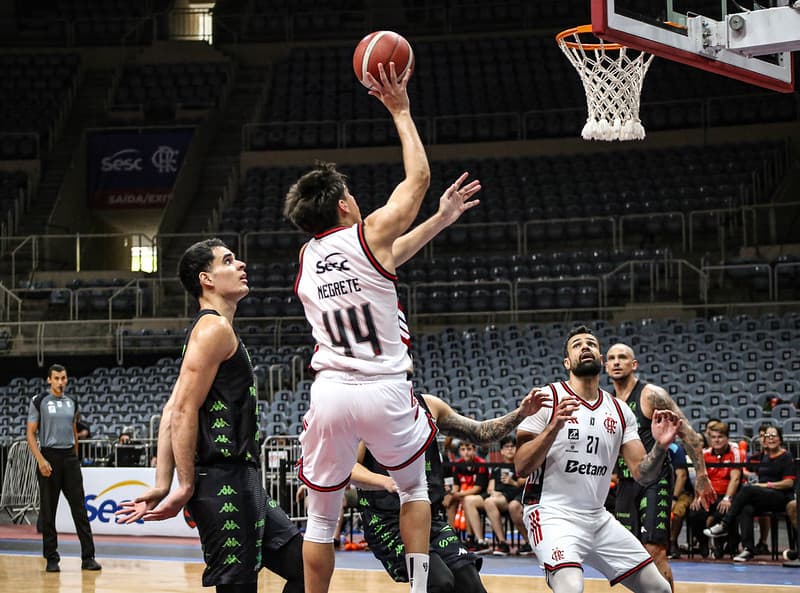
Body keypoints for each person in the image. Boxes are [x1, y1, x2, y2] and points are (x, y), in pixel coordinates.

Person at [283, 55, 480, 593]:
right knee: (414, 491)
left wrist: (441, 219)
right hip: (384, 388)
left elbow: (388, 259)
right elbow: (418, 179)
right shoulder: (367, 233)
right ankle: (418, 588)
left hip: (330, 392)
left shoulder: (306, 258)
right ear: (345, 204)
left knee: (320, 518)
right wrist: (400, 110)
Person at [115, 239, 304, 593]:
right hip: (222, 480)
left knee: (305, 566)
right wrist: (184, 485)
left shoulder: (215, 330)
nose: (241, 265)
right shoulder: (212, 329)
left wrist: (162, 483)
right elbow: (182, 411)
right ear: (207, 279)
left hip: (242, 479)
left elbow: (170, 409)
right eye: (228, 261)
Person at [515, 325, 679, 593]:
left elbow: (643, 474)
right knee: (571, 588)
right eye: (577, 345)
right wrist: (552, 429)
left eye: (591, 343)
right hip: (551, 513)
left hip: (597, 518)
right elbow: (521, 466)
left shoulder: (620, 410)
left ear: (600, 358)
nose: (585, 347)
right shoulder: (547, 398)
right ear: (567, 362)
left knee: (659, 588)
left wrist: (660, 446)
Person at [351, 388, 546, 593]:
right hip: (386, 520)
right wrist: (386, 482)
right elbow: (348, 467)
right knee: (439, 582)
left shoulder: (429, 405)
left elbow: (480, 433)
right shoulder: (366, 413)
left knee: (471, 584)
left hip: (430, 518)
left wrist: (521, 413)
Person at [605, 342, 715, 590]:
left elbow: (690, 436)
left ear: (634, 364)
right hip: (625, 483)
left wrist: (701, 476)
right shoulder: (607, 402)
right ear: (606, 366)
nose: (616, 362)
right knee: (630, 556)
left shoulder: (652, 395)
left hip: (655, 481)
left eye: (622, 357)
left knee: (654, 551)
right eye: (611, 358)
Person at [25, 364, 101, 573]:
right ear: (49, 380)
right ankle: (51, 559)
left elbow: (74, 432)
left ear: (67, 380)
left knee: (80, 510)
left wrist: (74, 458)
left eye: (63, 378)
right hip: (48, 457)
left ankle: (88, 557)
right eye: (56, 378)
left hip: (69, 459)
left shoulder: (72, 402)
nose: (60, 382)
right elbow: (30, 433)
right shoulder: (39, 401)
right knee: (48, 512)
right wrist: (41, 460)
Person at [704, 425, 796, 561]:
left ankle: (724, 524)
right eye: (767, 436)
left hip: (781, 496)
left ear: (780, 439)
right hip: (764, 496)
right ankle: (748, 549)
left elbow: (789, 483)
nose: (770, 439)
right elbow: (750, 472)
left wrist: (765, 485)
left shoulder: (786, 456)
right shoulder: (764, 457)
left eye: (774, 436)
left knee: (748, 489)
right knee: (746, 508)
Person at [686, 420, 742, 559]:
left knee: (722, 510)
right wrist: (697, 497)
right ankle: (703, 544)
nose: (717, 440)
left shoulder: (734, 452)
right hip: (708, 494)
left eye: (720, 437)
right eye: (713, 437)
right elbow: (699, 478)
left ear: (727, 438)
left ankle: (721, 545)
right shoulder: (705, 454)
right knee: (694, 512)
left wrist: (727, 498)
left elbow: (735, 478)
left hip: (726, 494)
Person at [463, 435, 526, 555]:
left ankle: (502, 543)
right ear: (501, 451)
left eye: (512, 446)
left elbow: (522, 484)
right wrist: (493, 492)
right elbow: (490, 487)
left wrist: (511, 482)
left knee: (489, 502)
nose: (509, 449)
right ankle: (480, 541)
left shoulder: (520, 465)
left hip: (511, 496)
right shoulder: (497, 467)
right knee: (468, 500)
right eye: (506, 447)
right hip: (496, 496)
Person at [443, 441, 488, 543]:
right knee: (450, 501)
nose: (466, 452)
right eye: (463, 450)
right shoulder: (458, 465)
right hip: (463, 494)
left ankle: (471, 537)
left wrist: (457, 494)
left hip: (481, 496)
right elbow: (456, 486)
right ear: (459, 451)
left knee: (466, 500)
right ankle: (453, 537)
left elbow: (477, 489)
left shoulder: (481, 464)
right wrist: (451, 494)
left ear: (474, 450)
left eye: (469, 449)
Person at [666, 442, 694, 559]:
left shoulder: (675, 448)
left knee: (677, 511)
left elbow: (682, 475)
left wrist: (674, 498)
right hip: (659, 489)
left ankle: (672, 542)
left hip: (681, 492)